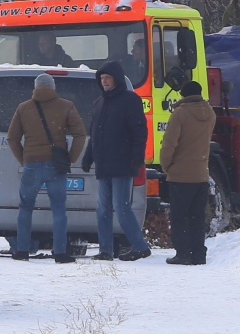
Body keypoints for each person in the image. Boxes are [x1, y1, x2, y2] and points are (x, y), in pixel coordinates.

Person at [6, 73, 87, 263]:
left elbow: (12, 138)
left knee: (26, 207)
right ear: (53, 87)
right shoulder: (66, 106)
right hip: (55, 165)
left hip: (32, 165)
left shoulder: (23, 108)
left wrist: (24, 158)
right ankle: (60, 252)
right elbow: (80, 135)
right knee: (58, 209)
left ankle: (22, 250)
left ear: (35, 88)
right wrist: (70, 159)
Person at [81, 61, 151, 261]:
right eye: (102, 78)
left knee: (121, 206)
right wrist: (88, 156)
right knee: (103, 208)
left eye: (108, 78)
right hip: (104, 163)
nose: (104, 82)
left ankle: (140, 246)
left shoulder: (130, 100)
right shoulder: (99, 102)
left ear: (116, 79)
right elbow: (94, 134)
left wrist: (138, 155)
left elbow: (139, 130)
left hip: (122, 162)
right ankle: (106, 250)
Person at [159, 81, 215, 265]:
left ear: (183, 95)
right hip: (201, 173)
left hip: (181, 175)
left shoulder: (180, 114)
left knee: (179, 216)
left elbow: (169, 144)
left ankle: (183, 254)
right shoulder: (210, 113)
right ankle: (199, 254)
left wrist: (167, 166)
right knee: (197, 217)